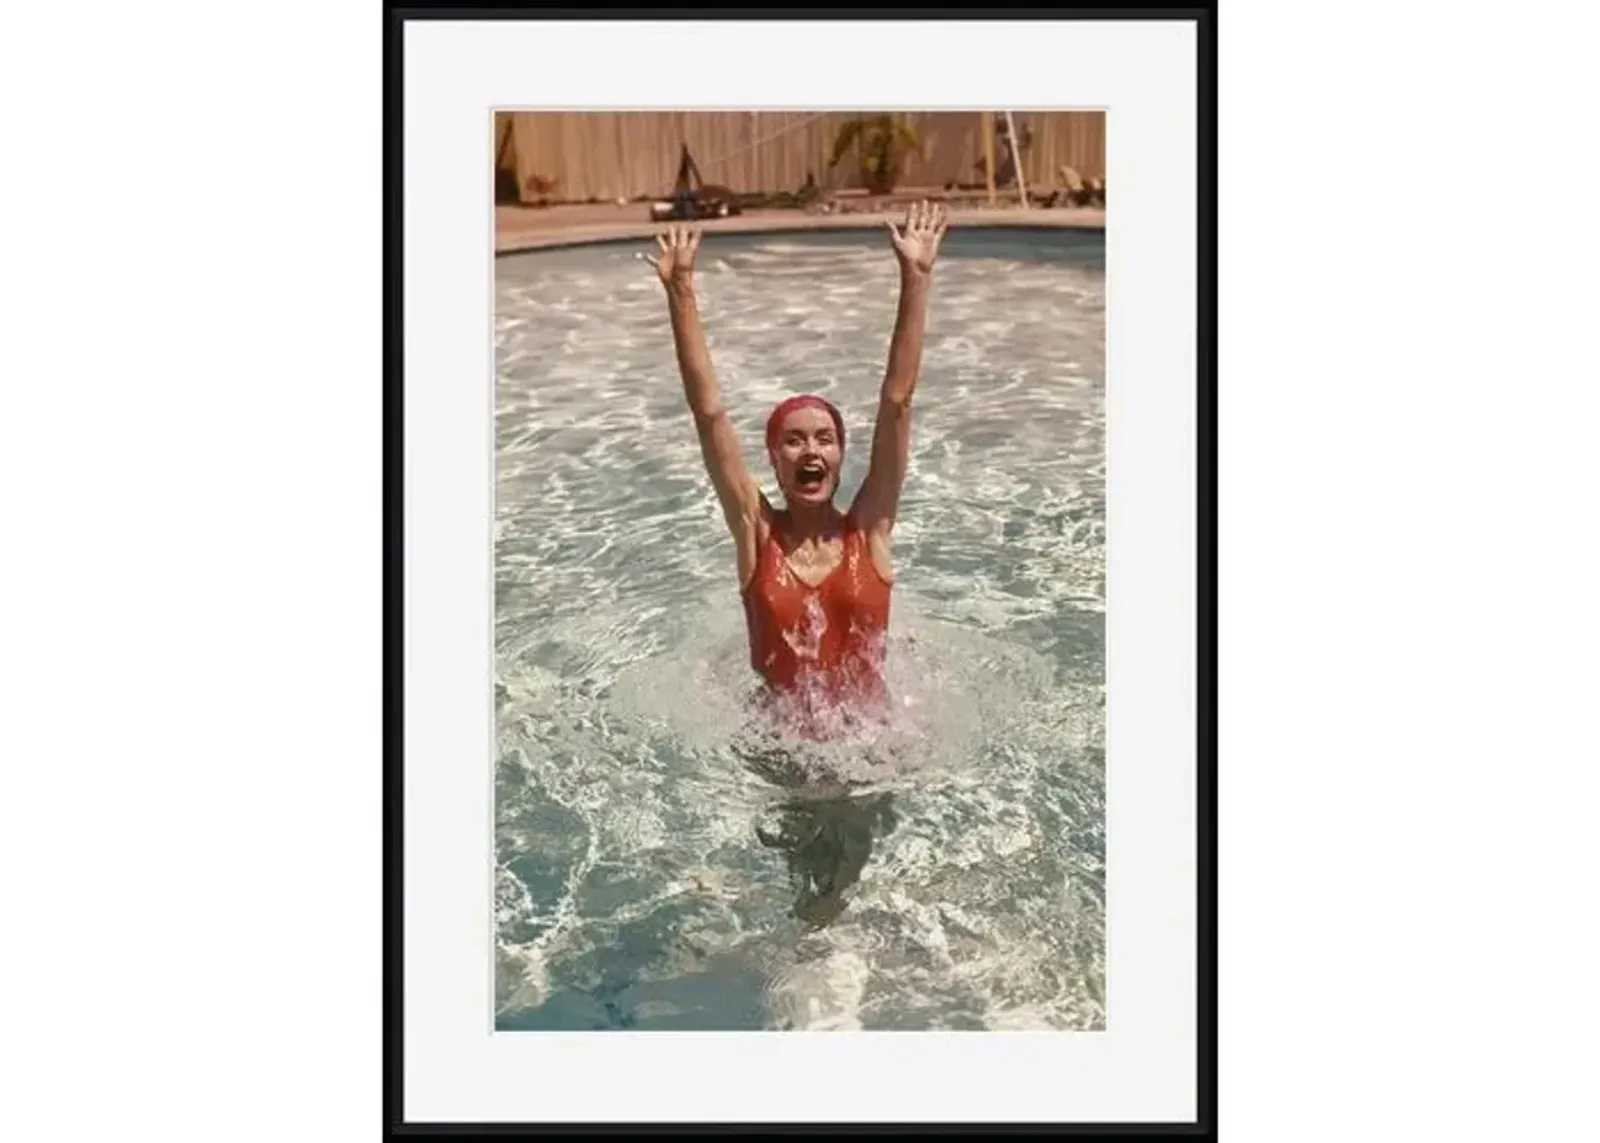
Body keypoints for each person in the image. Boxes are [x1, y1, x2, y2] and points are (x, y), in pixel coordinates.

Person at [643, 201, 950, 743]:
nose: (811, 449)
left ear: (839, 456)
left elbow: (897, 401)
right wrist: (681, 292)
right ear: (775, 460)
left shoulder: (869, 530)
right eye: (794, 440)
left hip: (874, 756)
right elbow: (709, 412)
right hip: (778, 763)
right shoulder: (756, 533)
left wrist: (917, 278)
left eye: (824, 439)